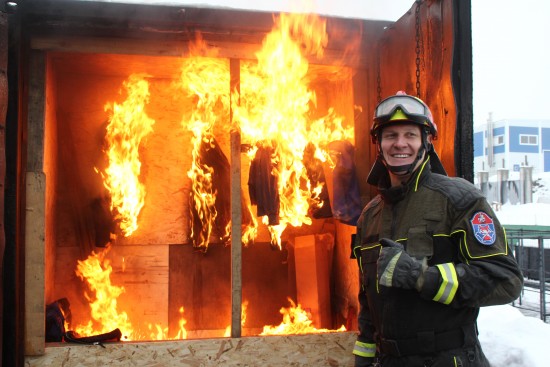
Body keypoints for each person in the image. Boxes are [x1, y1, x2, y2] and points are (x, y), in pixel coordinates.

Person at [351, 91, 523, 367]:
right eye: (391, 135)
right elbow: (367, 296)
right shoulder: (370, 215)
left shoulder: (459, 199)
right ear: (379, 144)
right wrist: (364, 354)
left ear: (426, 142)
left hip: (447, 359)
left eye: (410, 135)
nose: (400, 144)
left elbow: (506, 281)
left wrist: (423, 278)